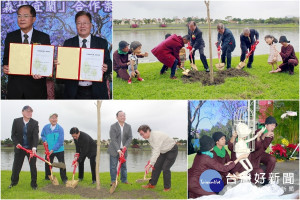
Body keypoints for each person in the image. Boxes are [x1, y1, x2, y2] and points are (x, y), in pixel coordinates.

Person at [2, 5, 50, 99]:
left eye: (25, 16)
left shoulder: (43, 37)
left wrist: (42, 73)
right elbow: (6, 59)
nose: (22, 19)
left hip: (36, 89)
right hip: (15, 89)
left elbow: (46, 61)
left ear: (34, 19)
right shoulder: (11, 36)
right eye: (19, 16)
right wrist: (5, 67)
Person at [62, 11, 112, 99]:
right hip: (74, 91)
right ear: (76, 25)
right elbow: (64, 67)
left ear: (91, 25)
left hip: (97, 89)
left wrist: (106, 67)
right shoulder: (68, 43)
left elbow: (109, 63)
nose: (82, 26)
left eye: (85, 23)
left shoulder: (101, 42)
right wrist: (59, 64)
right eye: (79, 23)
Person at [138, 125, 178, 192]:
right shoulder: (149, 138)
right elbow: (154, 150)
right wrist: (151, 163)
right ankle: (152, 184)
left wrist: (150, 164)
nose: (142, 136)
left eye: (142, 134)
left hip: (172, 150)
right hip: (163, 151)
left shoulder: (156, 136)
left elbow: (156, 151)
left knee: (165, 168)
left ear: (147, 131)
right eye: (141, 135)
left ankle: (167, 188)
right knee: (156, 166)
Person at [9, 105, 39, 190]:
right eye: (27, 111)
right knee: (16, 167)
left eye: (31, 111)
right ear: (23, 112)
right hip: (20, 148)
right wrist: (16, 143)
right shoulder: (16, 121)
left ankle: (34, 184)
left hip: (30, 149)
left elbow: (35, 136)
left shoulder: (35, 123)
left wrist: (34, 148)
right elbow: (13, 135)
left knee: (33, 167)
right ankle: (13, 183)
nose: (29, 113)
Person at [41, 113, 68, 184]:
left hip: (59, 150)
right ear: (49, 119)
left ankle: (64, 179)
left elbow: (60, 141)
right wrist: (44, 140)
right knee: (47, 163)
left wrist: (53, 150)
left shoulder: (60, 129)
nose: (54, 119)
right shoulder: (45, 127)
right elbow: (42, 136)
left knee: (62, 164)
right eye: (52, 118)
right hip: (48, 150)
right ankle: (47, 177)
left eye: (55, 118)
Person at [107, 111, 133, 185]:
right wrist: (118, 150)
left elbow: (130, 137)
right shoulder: (113, 126)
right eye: (121, 116)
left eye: (124, 115)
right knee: (113, 166)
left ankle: (124, 180)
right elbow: (113, 139)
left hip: (124, 150)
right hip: (114, 150)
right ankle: (113, 181)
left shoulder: (128, 126)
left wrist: (125, 146)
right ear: (117, 117)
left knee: (123, 166)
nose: (123, 117)